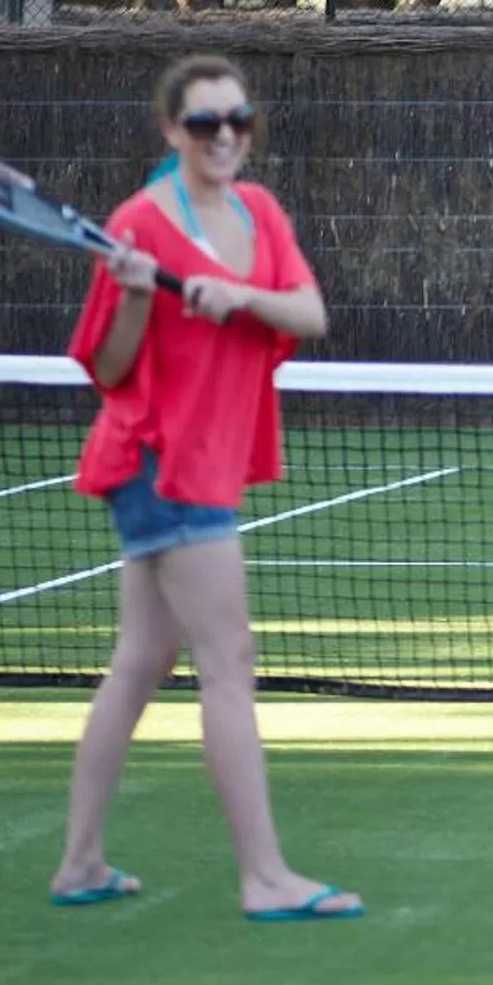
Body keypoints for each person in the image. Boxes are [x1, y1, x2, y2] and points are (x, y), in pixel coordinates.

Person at [50, 54, 363, 922]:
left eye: (237, 121)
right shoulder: (136, 225)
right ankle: (265, 877)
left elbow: (309, 313)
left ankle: (79, 862)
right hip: (160, 460)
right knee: (228, 662)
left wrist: (235, 295)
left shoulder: (260, 212)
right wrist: (144, 298)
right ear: (171, 132)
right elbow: (110, 371)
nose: (224, 136)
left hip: (209, 455)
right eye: (203, 124)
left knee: (143, 660)